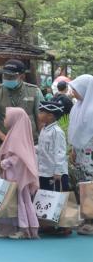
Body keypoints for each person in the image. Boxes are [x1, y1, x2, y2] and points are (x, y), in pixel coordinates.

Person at [0, 107, 39, 239]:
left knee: (18, 201)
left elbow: (19, 157)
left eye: (7, 117)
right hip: (11, 175)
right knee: (10, 201)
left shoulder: (17, 135)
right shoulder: (15, 133)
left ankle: (23, 229)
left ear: (15, 119)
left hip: (16, 177)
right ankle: (7, 228)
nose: (5, 119)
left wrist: (3, 163)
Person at [0, 59, 44, 152]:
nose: (7, 78)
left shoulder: (34, 91)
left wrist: (42, 140)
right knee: (4, 166)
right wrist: (5, 139)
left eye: (11, 76)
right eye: (5, 75)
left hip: (31, 143)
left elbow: (40, 118)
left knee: (30, 166)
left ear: (22, 76)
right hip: (4, 144)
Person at [37, 101, 71, 236]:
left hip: (55, 172)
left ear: (50, 116)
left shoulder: (57, 132)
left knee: (59, 198)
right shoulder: (45, 129)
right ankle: (49, 224)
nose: (39, 114)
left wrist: (58, 171)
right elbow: (43, 149)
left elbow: (60, 152)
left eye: (42, 112)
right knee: (47, 197)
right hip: (44, 170)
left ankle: (64, 226)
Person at [67, 74, 93, 235]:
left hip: (90, 155)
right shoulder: (77, 107)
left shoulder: (91, 110)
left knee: (90, 185)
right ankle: (86, 216)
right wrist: (73, 149)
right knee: (83, 185)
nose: (73, 92)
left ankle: (91, 220)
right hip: (81, 153)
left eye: (75, 89)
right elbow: (75, 131)